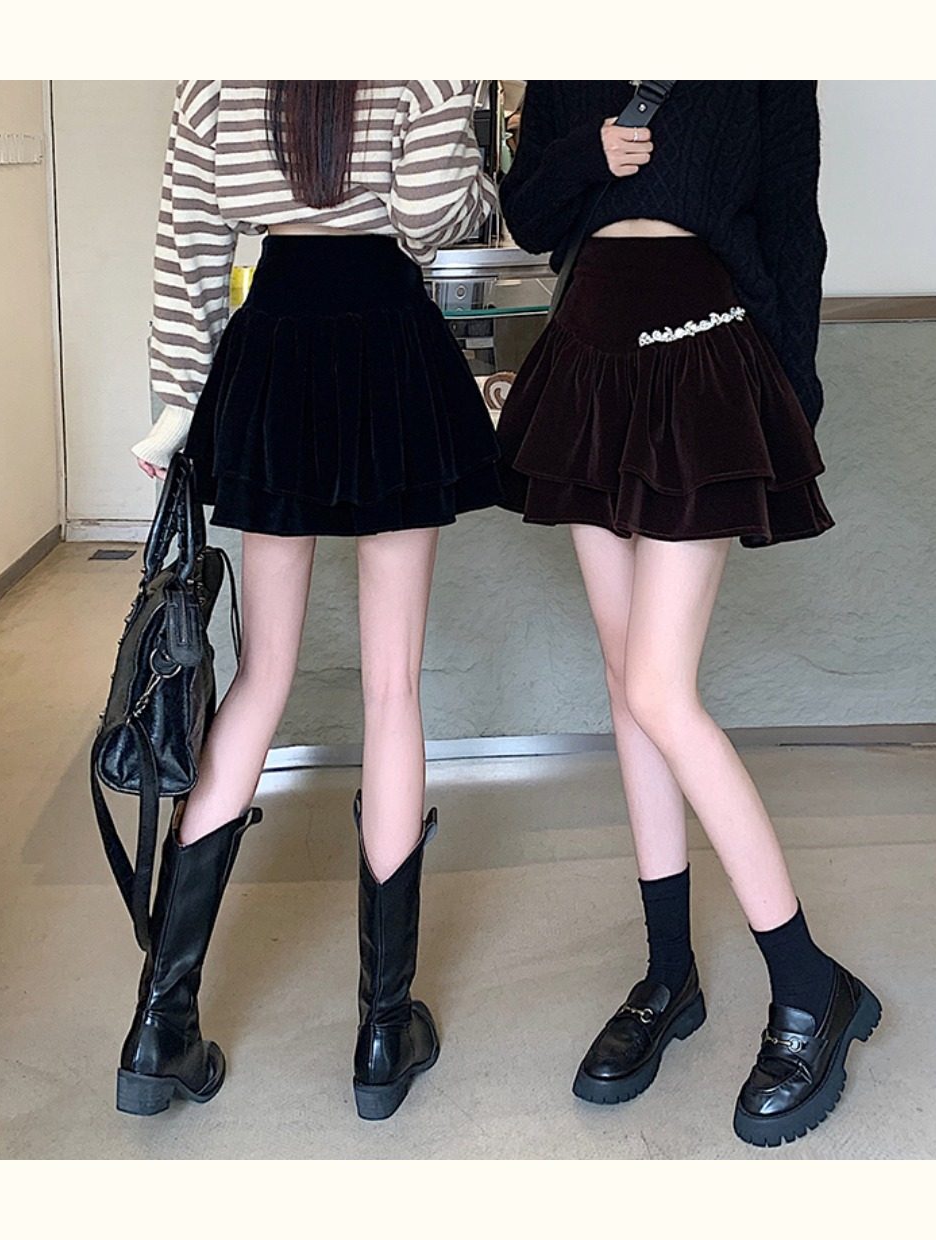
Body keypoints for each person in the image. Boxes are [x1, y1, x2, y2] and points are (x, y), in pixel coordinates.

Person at [496, 80, 881, 1147]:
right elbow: (527, 215)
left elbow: (792, 233)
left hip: (703, 359)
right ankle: (669, 974)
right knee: (628, 687)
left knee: (660, 689)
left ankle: (807, 983)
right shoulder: (567, 56)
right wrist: (588, 153)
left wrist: (788, 395)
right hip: (587, 359)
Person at [123, 79, 500, 1121]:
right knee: (393, 689)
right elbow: (432, 220)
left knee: (260, 677)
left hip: (274, 353)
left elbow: (189, 250)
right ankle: (382, 1035)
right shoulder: (420, 61)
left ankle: (159, 1025)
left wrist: (176, 406)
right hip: (390, 349)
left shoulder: (215, 74)